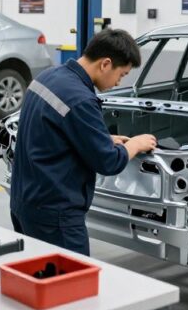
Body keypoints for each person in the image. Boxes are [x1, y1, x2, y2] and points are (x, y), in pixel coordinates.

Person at [9, 28, 158, 255]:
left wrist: (101, 138)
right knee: (72, 276)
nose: (118, 83)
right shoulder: (80, 99)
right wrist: (135, 145)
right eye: (122, 74)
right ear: (105, 64)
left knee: (37, 270)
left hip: (24, 202)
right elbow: (108, 161)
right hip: (55, 215)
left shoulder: (47, 77)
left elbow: (52, 130)